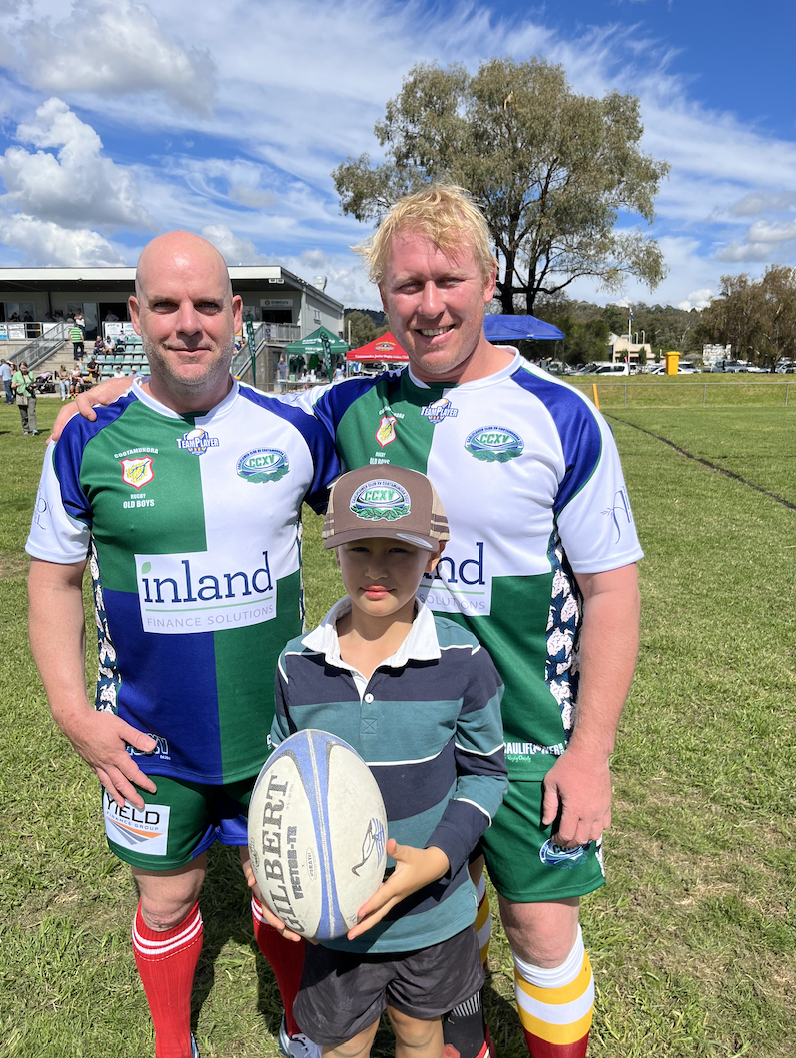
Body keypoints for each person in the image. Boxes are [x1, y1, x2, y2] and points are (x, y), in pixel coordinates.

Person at [58, 187, 643, 1058]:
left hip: (524, 735)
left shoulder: (561, 415)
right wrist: (124, 391)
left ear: (489, 282)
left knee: (541, 928)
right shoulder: (347, 410)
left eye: (449, 280)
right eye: (408, 285)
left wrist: (590, 753)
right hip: (391, 731)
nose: (429, 304)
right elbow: (222, 410)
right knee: (434, 906)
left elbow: (613, 592)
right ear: (383, 297)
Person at [26, 231, 340, 1058]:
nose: (188, 323)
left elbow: (384, 516)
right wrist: (74, 716)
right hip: (147, 739)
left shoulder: (295, 429)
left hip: (276, 729)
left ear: (237, 316)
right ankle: (174, 1043)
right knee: (165, 904)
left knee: (285, 898)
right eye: (166, 306)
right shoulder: (86, 437)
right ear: (135, 317)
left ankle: (301, 1023)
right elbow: (53, 582)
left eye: (206, 304)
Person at [268, 466, 507, 1058]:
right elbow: (277, 778)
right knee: (343, 1044)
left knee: (419, 1031)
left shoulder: (462, 659)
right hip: (336, 919)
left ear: (433, 556)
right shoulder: (298, 664)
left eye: (399, 550)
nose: (376, 569)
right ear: (335, 551)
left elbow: (486, 774)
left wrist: (439, 858)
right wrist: (271, 873)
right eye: (360, 549)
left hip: (432, 913)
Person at [11, 361, 38, 434]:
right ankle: (26, 429)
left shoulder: (30, 374)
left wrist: (33, 386)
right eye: (22, 368)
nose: (23, 370)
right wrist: (16, 385)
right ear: (19, 368)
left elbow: (34, 383)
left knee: (31, 412)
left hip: (31, 396)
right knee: (24, 415)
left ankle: (33, 429)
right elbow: (12, 386)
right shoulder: (16, 375)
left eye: (25, 368)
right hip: (21, 396)